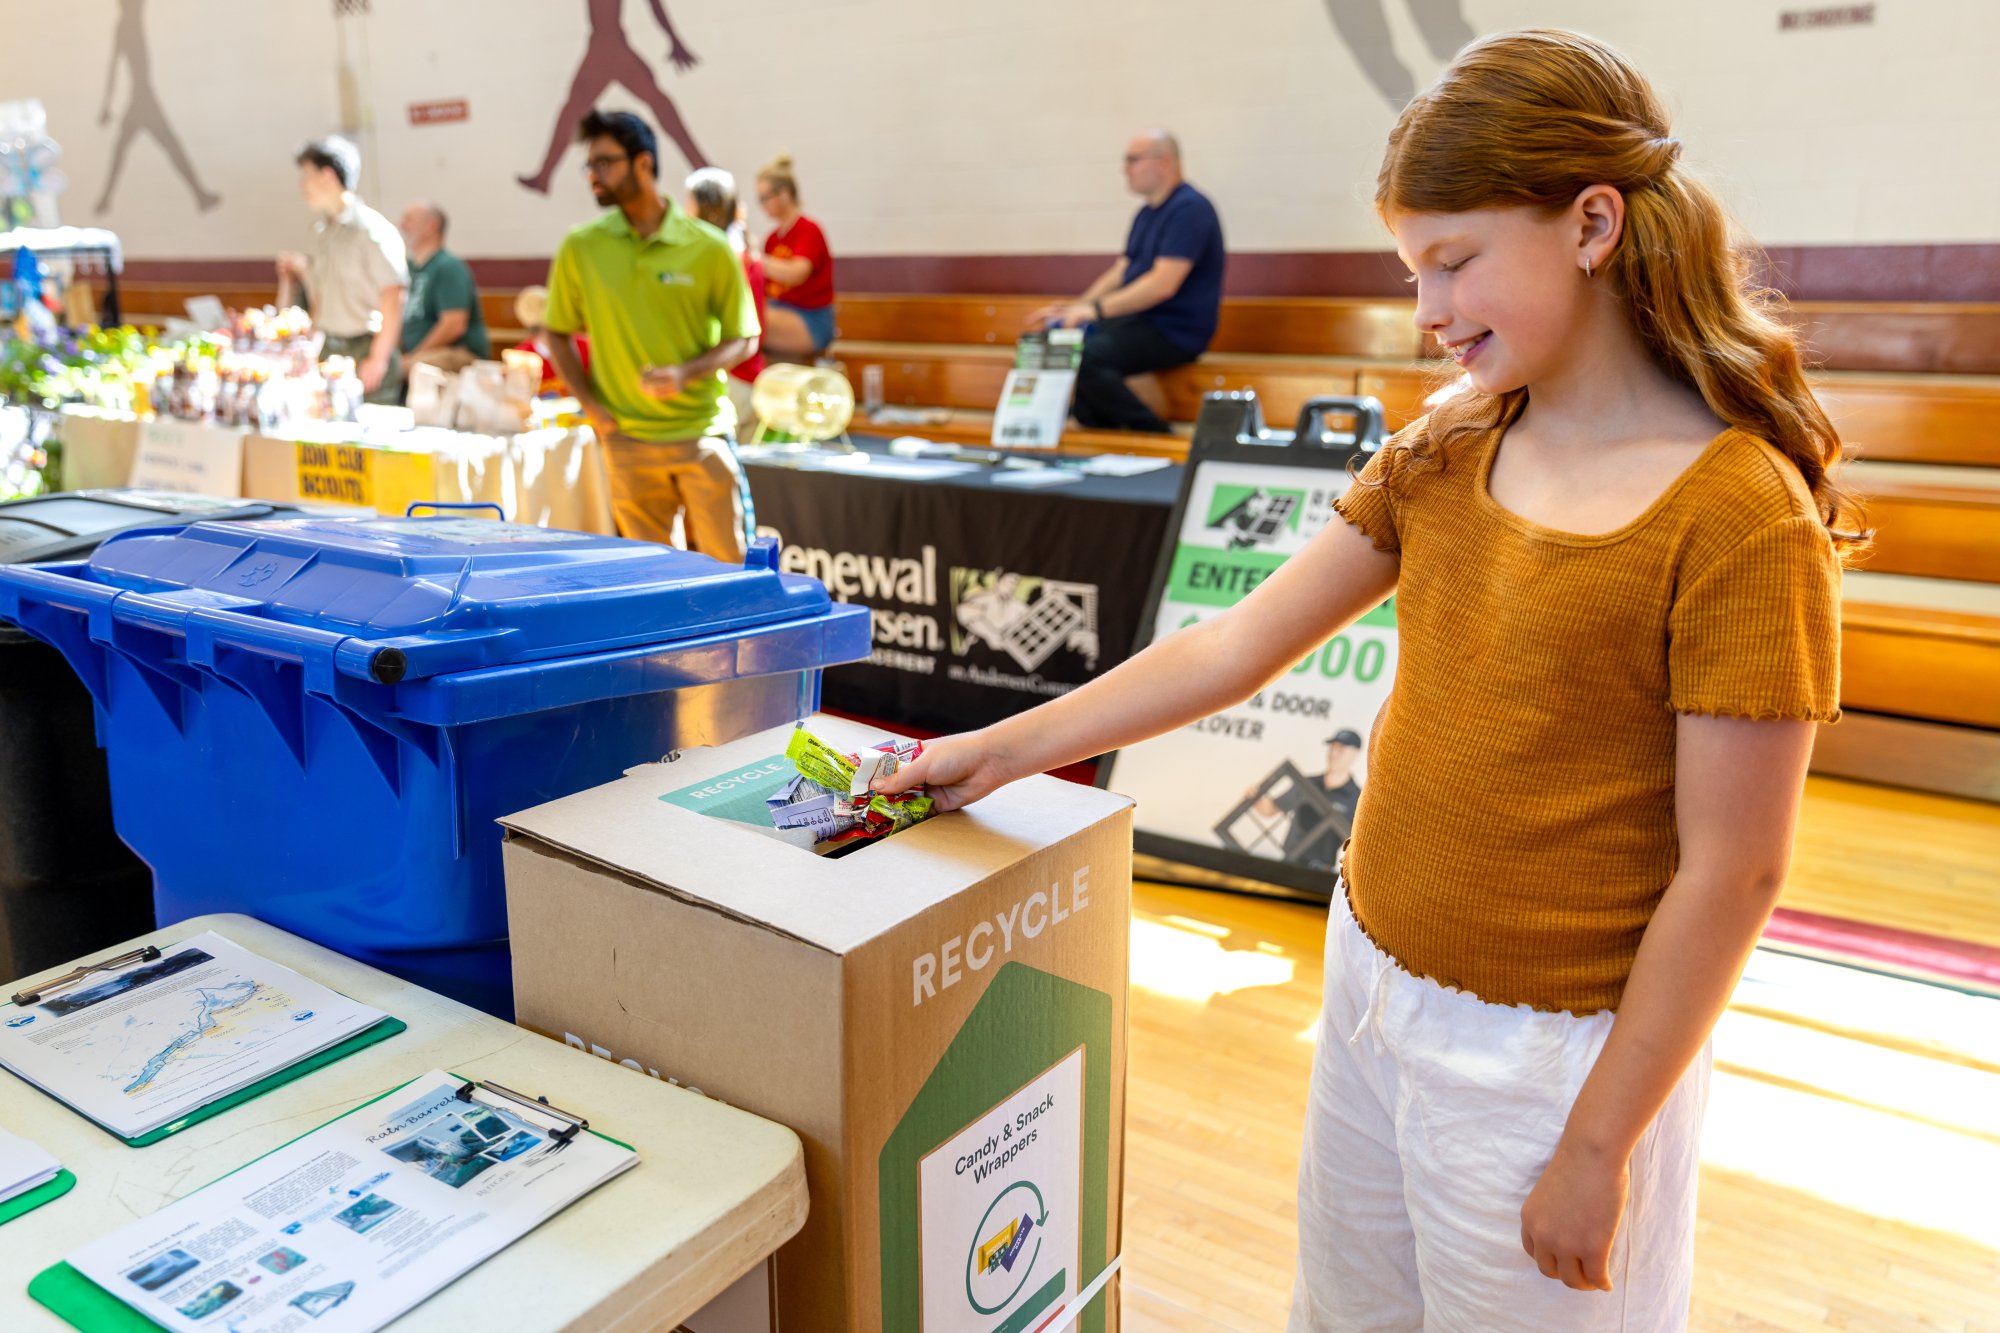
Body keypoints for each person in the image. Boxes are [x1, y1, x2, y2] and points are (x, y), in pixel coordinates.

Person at [879, 29, 1857, 1329]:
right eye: (1413, 270)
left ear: (1593, 222)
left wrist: (1596, 1143)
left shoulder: (1739, 515)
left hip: (1552, 1059)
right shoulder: (1448, 446)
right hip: (1372, 977)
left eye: (1455, 261)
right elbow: (1233, 645)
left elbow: (1734, 872)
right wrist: (1001, 748)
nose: (1429, 311)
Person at [539, 110, 759, 560]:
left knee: (731, 570)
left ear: (643, 164)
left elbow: (744, 338)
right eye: (589, 165)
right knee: (655, 579)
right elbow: (556, 333)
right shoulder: (581, 246)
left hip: (702, 434)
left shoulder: (709, 247)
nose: (593, 176)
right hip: (626, 438)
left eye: (605, 163)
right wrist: (594, 408)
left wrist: (685, 372)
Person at [1026, 131, 1224, 434]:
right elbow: (1121, 271)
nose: (1125, 168)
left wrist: (1096, 310)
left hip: (1174, 331)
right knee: (1063, 340)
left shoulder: (1190, 209)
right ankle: (1091, 431)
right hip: (1138, 324)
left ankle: (1155, 435)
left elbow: (1162, 284)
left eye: (1133, 160)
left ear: (1164, 162)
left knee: (1088, 356)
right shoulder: (1147, 214)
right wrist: (1077, 308)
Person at [276, 136, 408, 405]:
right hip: (330, 349)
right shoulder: (322, 233)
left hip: (365, 349)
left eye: (307, 175)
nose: (302, 186)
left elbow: (393, 296)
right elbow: (320, 299)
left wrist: (378, 359)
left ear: (328, 175)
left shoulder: (370, 230)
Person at [685, 167, 767, 427]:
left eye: (688, 203)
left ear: (706, 208)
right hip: (744, 376)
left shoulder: (722, 253)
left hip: (732, 378)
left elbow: (741, 332)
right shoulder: (740, 245)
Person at [755, 155, 835, 359]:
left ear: (784, 194)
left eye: (765, 198)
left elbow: (797, 273)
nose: (762, 205)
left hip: (810, 318)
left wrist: (755, 259)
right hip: (779, 310)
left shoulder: (808, 229)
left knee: (751, 319)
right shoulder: (772, 238)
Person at [398, 202, 490, 376]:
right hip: (417, 353)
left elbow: (453, 325)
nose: (401, 225)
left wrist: (412, 357)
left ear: (431, 226)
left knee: (417, 368)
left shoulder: (448, 267)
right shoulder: (409, 268)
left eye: (408, 220)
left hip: (458, 352)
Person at [1251, 729, 1364, 868]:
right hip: (1288, 863)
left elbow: (1359, 842)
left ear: (1355, 754)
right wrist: (1254, 797)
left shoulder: (1358, 798)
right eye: (1332, 748)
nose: (1334, 754)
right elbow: (1270, 809)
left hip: (1320, 873)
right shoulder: (1307, 783)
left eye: (1341, 749)